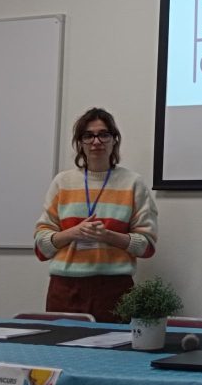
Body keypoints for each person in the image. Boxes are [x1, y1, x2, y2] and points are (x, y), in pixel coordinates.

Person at [34, 107, 158, 322]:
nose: (96, 141)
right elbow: (41, 247)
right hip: (65, 289)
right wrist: (73, 233)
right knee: (62, 344)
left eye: (103, 135)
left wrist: (107, 236)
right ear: (80, 143)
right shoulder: (62, 182)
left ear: (114, 140)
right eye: (88, 136)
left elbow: (147, 247)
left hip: (114, 290)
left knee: (117, 344)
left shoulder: (133, 183)